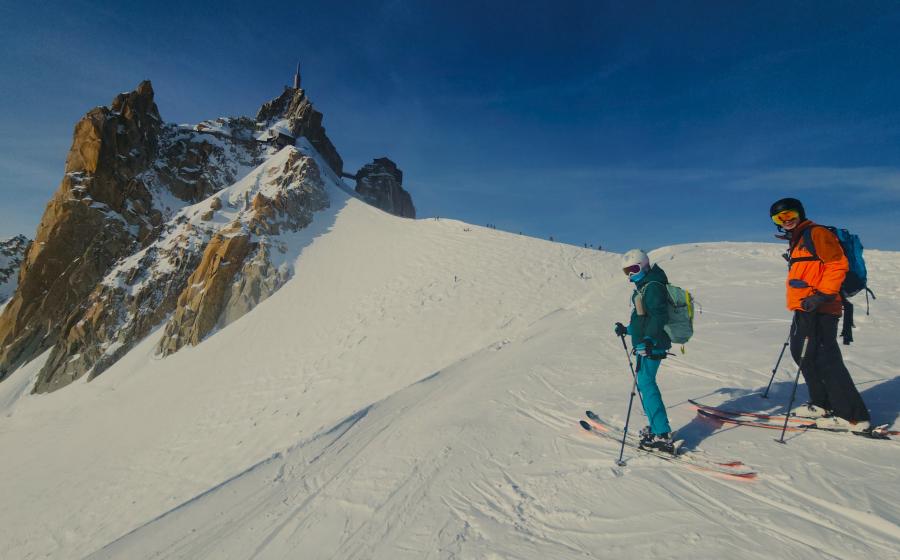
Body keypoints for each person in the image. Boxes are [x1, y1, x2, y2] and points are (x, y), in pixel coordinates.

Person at [770, 198, 871, 431]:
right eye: (779, 218)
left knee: (825, 359)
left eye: (790, 214)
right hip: (805, 306)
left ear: (800, 213)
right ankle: (821, 403)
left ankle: (853, 416)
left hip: (821, 307)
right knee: (803, 353)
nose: (786, 220)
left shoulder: (816, 233)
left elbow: (837, 265)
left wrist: (822, 295)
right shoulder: (798, 239)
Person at [614, 249, 675, 452]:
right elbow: (642, 320)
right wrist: (627, 330)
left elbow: (659, 316)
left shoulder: (653, 287)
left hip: (652, 345)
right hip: (645, 345)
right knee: (644, 384)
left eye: (633, 269)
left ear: (644, 265)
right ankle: (657, 427)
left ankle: (662, 433)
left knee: (647, 385)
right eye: (627, 271)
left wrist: (649, 339)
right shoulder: (644, 287)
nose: (630, 274)